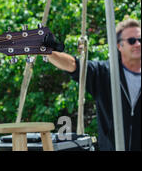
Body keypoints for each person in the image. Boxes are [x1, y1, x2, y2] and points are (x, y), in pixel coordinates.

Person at [47, 18, 141, 151]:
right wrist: (46, 51)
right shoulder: (105, 73)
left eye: (140, 40)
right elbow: (73, 65)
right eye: (132, 41)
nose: (137, 44)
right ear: (119, 45)